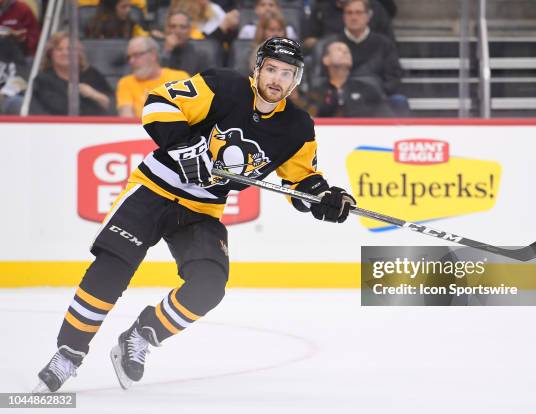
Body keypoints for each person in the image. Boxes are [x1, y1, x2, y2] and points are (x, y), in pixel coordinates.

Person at [34, 37, 355, 393]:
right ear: (258, 68)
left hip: (202, 208)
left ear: (296, 80)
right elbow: (158, 104)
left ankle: (142, 334)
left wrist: (324, 198)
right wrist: (185, 146)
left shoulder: (296, 128)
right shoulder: (224, 86)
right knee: (112, 267)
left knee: (208, 286)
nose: (277, 80)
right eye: (272, 70)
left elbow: (301, 181)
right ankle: (69, 354)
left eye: (287, 74)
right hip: (156, 187)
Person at [31, 31, 114, 115]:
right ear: (50, 54)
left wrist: (93, 94)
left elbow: (113, 107)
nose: (65, 53)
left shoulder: (92, 74)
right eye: (59, 49)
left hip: (95, 126)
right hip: (58, 126)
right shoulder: (43, 80)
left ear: (78, 53)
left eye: (70, 49)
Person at [307, 40, 393, 117]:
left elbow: (387, 120)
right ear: (326, 60)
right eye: (339, 49)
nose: (345, 52)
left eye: (347, 51)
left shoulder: (368, 89)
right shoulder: (316, 92)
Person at [116, 36, 189, 117]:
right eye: (129, 57)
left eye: (136, 55)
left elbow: (190, 112)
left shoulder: (179, 77)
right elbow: (126, 119)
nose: (131, 61)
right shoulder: (126, 82)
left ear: (153, 55)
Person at [302, 0, 393, 50]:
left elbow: (389, 42)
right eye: (349, 13)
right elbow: (308, 40)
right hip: (331, 60)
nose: (353, 17)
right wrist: (328, 45)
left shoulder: (375, 8)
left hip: (370, 59)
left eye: (359, 12)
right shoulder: (321, 8)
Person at [160, 10, 207, 75]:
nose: (177, 31)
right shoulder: (156, 50)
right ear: (166, 29)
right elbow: (157, 76)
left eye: (182, 27)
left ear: (189, 30)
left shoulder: (199, 53)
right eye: (173, 26)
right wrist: (167, 52)